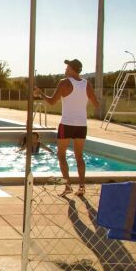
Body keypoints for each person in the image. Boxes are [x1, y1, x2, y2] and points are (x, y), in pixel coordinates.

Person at [34, 58, 100, 196]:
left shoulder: (64, 83)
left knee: (61, 155)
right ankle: (82, 187)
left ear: (71, 69)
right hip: (82, 125)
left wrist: (40, 94)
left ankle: (68, 186)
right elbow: (96, 104)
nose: (65, 70)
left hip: (67, 124)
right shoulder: (87, 84)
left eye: (67, 68)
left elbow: (52, 102)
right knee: (79, 157)